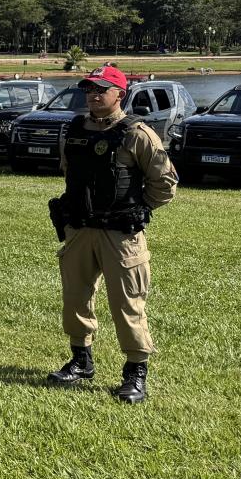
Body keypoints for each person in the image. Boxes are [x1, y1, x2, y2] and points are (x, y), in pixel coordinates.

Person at [47, 65, 177, 403]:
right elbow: (68, 172)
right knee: (75, 298)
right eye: (89, 88)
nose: (93, 94)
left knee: (127, 304)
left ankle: (135, 373)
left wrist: (138, 209)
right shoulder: (74, 129)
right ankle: (81, 360)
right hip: (80, 231)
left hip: (120, 235)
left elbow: (165, 183)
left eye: (101, 89)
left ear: (120, 93)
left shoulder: (137, 134)